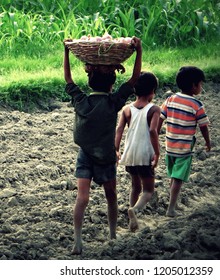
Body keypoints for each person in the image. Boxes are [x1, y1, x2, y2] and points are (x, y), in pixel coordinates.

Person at [64, 37, 142, 255]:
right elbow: (134, 79)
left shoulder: (81, 101)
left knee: (82, 197)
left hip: (85, 155)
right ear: (111, 84)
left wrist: (67, 51)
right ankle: (112, 234)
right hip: (106, 156)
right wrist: (139, 51)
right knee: (111, 195)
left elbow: (68, 78)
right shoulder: (113, 102)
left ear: (89, 82)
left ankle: (77, 240)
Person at [158, 66, 211, 217]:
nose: (201, 87)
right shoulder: (197, 105)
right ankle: (171, 209)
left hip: (169, 146)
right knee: (178, 179)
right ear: (194, 85)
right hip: (184, 148)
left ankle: (172, 203)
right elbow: (203, 126)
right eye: (201, 84)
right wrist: (208, 142)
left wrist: (155, 134)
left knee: (174, 177)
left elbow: (160, 119)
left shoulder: (170, 99)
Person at [115, 72, 160, 231]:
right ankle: (134, 210)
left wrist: (116, 149)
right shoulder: (154, 109)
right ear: (152, 91)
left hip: (130, 153)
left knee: (135, 187)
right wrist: (157, 152)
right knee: (148, 190)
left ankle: (131, 222)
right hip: (144, 153)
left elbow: (119, 129)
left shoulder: (127, 109)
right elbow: (153, 131)